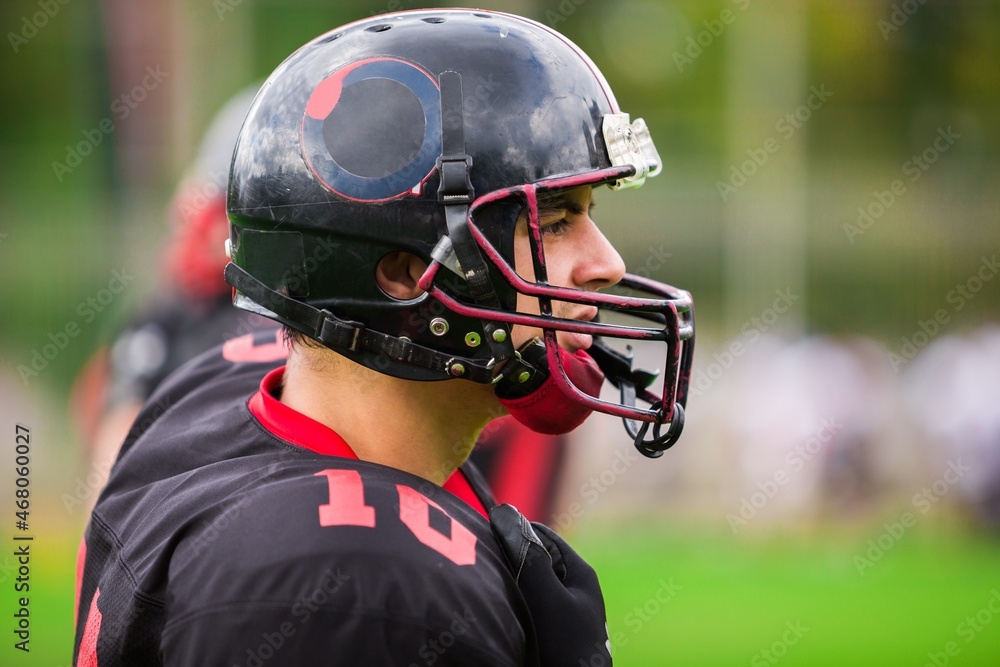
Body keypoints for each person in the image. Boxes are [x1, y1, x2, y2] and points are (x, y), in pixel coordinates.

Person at [74, 9, 694, 666]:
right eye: (558, 221)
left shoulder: (215, 390)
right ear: (403, 273)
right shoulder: (352, 584)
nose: (609, 263)